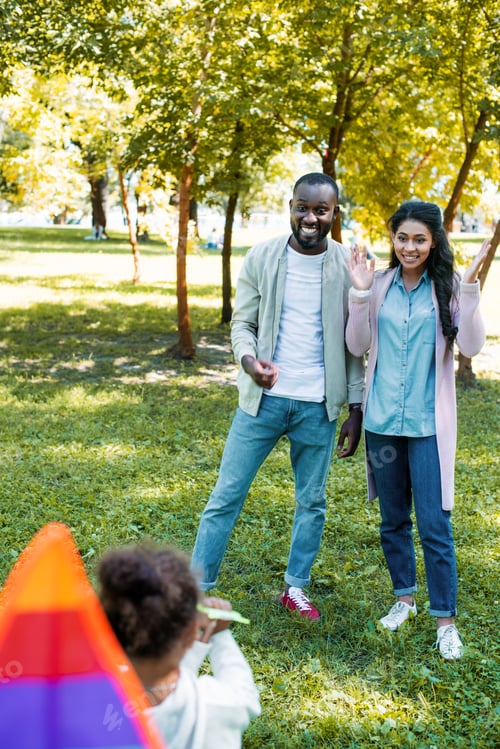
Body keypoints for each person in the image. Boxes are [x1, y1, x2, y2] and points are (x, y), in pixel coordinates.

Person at [191, 172, 365, 619]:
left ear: (333, 213)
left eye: (320, 210)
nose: (311, 217)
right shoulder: (263, 257)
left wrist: (356, 407)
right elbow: (242, 324)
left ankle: (295, 587)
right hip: (261, 402)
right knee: (226, 494)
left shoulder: (348, 266)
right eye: (302, 207)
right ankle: (195, 589)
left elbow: (357, 341)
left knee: (313, 501)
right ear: (291, 206)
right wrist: (250, 363)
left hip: (318, 407)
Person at [345, 199, 489, 659]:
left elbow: (471, 345)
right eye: (402, 238)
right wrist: (361, 293)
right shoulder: (381, 284)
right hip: (384, 425)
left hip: (428, 426)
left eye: (419, 239)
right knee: (392, 520)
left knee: (434, 525)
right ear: (393, 239)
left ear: (434, 241)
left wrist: (469, 289)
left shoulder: (446, 287)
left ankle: (445, 620)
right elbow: (357, 344)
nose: (410, 247)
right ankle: (403, 598)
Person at [98, 543, 261, 749]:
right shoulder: (215, 705)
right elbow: (244, 695)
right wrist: (221, 635)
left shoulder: (92, 695)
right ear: (192, 632)